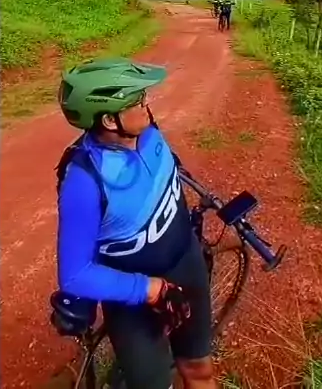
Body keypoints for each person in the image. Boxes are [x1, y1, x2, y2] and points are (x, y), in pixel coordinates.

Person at [55, 58, 216, 389]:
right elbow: (75, 275)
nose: (146, 103)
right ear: (110, 119)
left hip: (186, 263)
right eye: (137, 100)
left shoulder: (148, 130)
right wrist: (151, 290)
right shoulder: (84, 181)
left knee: (200, 370)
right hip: (133, 296)